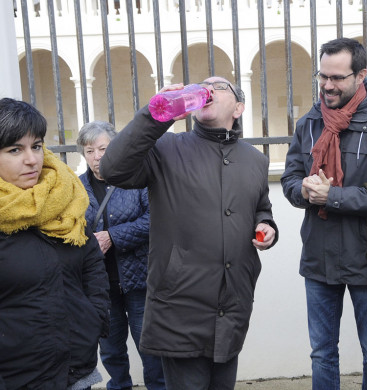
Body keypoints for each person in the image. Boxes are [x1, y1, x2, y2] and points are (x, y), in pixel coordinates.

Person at [99, 76, 279, 390]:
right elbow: (113, 168)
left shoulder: (255, 160)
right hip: (180, 306)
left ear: (238, 108)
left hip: (232, 303)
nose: (207, 89)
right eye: (202, 85)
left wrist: (268, 227)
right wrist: (154, 115)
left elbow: (261, 206)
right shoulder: (166, 148)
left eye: (219, 87)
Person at [280, 37, 367, 390]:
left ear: (361, 75)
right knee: (322, 352)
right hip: (319, 257)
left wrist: (332, 196)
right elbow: (290, 177)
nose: (327, 85)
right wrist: (303, 191)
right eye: (323, 77)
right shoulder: (309, 121)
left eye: (337, 78)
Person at [0, 98, 110, 390]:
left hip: (75, 369)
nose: (31, 159)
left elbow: (91, 264)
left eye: (36, 146)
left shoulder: (66, 199)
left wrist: (94, 318)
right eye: (14, 149)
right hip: (16, 377)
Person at [77, 121, 165, 390]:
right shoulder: (75, 188)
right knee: (111, 350)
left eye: (103, 148)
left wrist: (113, 236)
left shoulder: (136, 180)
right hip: (99, 285)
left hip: (139, 280)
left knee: (150, 348)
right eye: (90, 151)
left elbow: (156, 219)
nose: (97, 157)